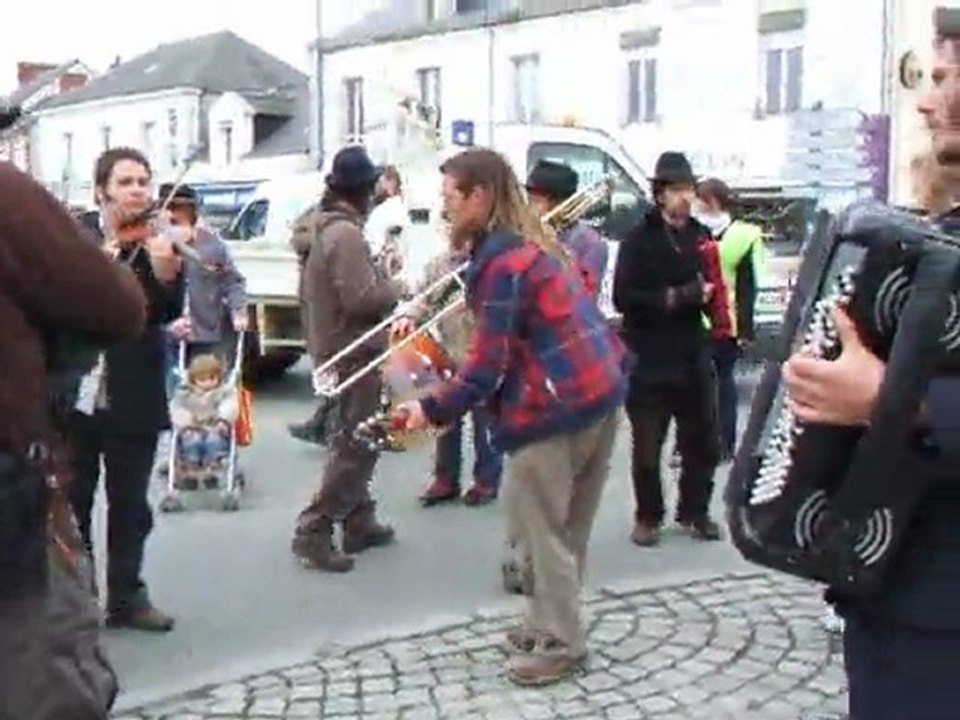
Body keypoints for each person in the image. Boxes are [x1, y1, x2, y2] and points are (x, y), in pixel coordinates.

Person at [395, 147, 627, 686]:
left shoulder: (502, 266)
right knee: (567, 530)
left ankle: (562, 644)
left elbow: (486, 366)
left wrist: (428, 408)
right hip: (599, 394)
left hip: (553, 408)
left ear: (480, 196)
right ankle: (548, 620)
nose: (444, 208)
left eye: (450, 196)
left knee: (542, 531)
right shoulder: (530, 247)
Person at [784, 11, 960, 719]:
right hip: (894, 586)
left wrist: (891, 398)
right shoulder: (936, 230)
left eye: (946, 78)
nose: (923, 101)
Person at [0, 159, 146, 717]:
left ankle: (129, 591)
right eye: (125, 182)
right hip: (11, 507)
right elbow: (114, 306)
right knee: (43, 681)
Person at [67, 147, 183, 632]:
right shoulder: (76, 238)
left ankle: (127, 594)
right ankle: (77, 598)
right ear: (102, 191)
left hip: (134, 391)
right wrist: (102, 264)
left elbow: (163, 313)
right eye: (126, 182)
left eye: (143, 181)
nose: (137, 190)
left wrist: (165, 273)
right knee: (73, 504)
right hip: (77, 396)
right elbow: (63, 304)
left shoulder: (159, 242)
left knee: (131, 505)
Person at [289, 145, 406, 573]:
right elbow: (361, 300)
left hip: (337, 345)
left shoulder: (325, 226)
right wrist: (397, 285)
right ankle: (314, 530)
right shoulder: (346, 234)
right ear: (363, 191)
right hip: (354, 348)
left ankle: (359, 519)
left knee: (355, 438)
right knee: (356, 442)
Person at [612, 151, 730, 547]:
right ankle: (648, 516)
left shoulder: (700, 236)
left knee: (704, 441)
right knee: (648, 446)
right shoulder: (637, 239)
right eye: (676, 190)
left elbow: (715, 289)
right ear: (660, 194)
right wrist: (679, 296)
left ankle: (694, 510)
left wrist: (719, 315)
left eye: (688, 190)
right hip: (648, 356)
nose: (684, 197)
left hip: (691, 353)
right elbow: (624, 297)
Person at [393, 235, 504, 508]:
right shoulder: (439, 265)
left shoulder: (494, 264)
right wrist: (408, 316)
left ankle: (486, 482)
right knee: (444, 419)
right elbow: (422, 299)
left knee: (485, 423)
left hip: (484, 354)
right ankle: (445, 480)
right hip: (448, 351)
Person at [694, 177, 765, 460]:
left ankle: (723, 444)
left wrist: (746, 331)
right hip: (697, 321)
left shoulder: (743, 235)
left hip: (725, 324)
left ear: (711, 203)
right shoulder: (693, 232)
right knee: (700, 386)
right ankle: (700, 443)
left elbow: (749, 286)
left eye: (699, 200)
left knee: (723, 385)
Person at [525, 159, 609, 298]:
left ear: (559, 202)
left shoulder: (590, 244)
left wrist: (556, 252)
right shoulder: (522, 233)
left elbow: (584, 297)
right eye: (530, 199)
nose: (530, 207)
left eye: (537, 200)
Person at [169, 354, 238, 489]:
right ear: (193, 380)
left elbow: (229, 406)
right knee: (191, 441)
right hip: (192, 427)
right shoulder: (185, 393)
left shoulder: (224, 392)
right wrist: (186, 422)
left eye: (212, 378)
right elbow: (178, 408)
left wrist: (223, 419)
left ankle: (212, 465)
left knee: (214, 440)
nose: (208, 383)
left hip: (215, 427)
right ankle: (191, 465)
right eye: (202, 380)